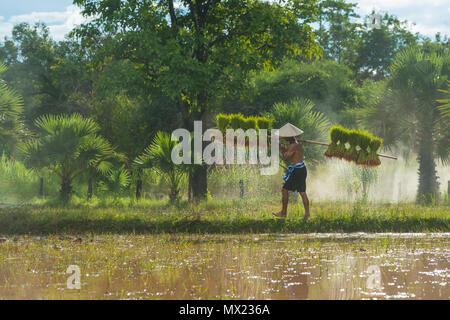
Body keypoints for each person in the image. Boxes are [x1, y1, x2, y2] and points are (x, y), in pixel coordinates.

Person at [273, 136, 310, 219]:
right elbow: (289, 150)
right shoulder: (296, 144)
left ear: (290, 137)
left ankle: (283, 213)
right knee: (302, 192)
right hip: (302, 169)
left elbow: (286, 158)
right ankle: (307, 214)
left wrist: (281, 149)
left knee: (284, 189)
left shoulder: (293, 146)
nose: (284, 138)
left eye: (286, 137)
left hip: (297, 171)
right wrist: (284, 148)